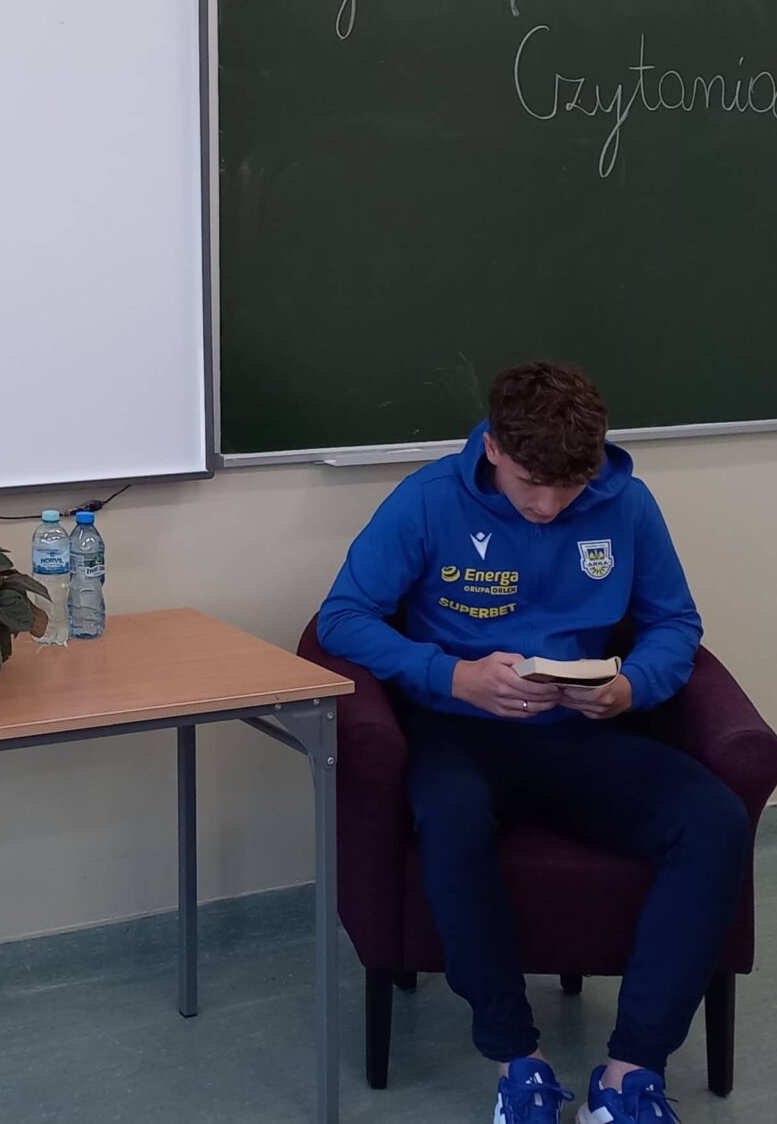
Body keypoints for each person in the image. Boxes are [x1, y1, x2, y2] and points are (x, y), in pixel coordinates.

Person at [316, 362, 747, 1124]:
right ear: (492, 447)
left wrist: (630, 686)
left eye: (569, 488)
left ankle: (630, 1076)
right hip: (460, 729)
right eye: (530, 484)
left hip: (583, 732)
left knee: (714, 819)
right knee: (450, 819)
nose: (548, 507)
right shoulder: (428, 500)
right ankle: (518, 1061)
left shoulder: (627, 503)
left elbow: (674, 623)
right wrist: (453, 677)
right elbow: (343, 618)